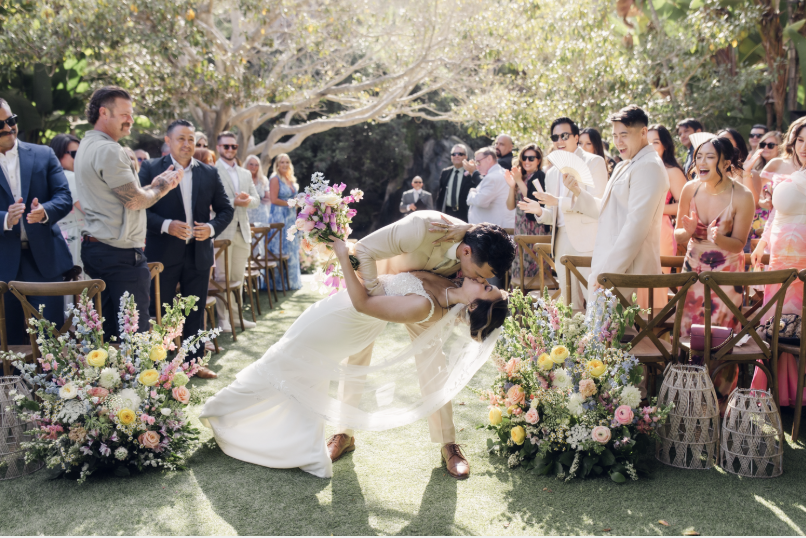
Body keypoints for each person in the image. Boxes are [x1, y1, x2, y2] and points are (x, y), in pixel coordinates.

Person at [199, 233, 508, 479]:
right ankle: (335, 435)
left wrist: (342, 256)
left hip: (361, 314)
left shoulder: (430, 303)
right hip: (352, 305)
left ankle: (222, 410)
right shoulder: (446, 259)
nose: (484, 280)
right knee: (297, 359)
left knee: (285, 359)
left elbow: (364, 304)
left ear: (472, 306)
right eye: (487, 281)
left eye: (487, 287)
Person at [324, 211, 515, 479]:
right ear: (467, 253)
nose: (481, 281)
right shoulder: (421, 228)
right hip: (374, 283)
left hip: (425, 296)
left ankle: (448, 443)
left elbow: (476, 256)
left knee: (433, 360)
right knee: (356, 354)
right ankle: (343, 433)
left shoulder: (471, 246)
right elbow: (364, 249)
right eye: (480, 275)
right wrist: (376, 291)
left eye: (485, 281)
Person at [75, 86, 183, 338]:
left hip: (98, 249)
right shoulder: (109, 149)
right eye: (125, 114)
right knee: (134, 337)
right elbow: (134, 201)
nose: (131, 120)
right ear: (104, 112)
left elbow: (121, 197)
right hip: (119, 255)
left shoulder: (87, 145)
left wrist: (151, 187)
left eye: (131, 115)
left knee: (109, 336)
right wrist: (162, 187)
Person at [139, 120, 233, 377]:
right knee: (160, 312)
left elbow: (226, 209)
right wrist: (166, 225)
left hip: (198, 253)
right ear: (168, 141)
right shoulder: (150, 168)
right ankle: (158, 368)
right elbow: (138, 209)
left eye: (191, 139)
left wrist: (211, 228)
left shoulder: (209, 172)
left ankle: (194, 364)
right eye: (181, 138)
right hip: (162, 254)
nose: (187, 144)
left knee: (194, 311)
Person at [675, 137, 754, 399]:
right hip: (692, 270)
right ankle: (685, 397)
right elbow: (678, 235)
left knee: (721, 337)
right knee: (688, 333)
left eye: (709, 157)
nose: (701, 162)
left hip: (727, 274)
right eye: (699, 156)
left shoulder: (742, 196)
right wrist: (686, 232)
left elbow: (739, 243)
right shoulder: (690, 189)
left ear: (726, 162)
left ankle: (718, 401)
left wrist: (719, 239)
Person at [571, 105, 669, 298]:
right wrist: (578, 192)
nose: (618, 142)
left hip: (627, 272)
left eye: (624, 135)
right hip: (608, 266)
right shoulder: (624, 165)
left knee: (617, 319)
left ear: (643, 132)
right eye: (615, 136)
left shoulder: (649, 166)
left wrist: (608, 272)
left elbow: (636, 227)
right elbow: (607, 210)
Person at [0, 99, 74, 345]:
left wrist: (45, 211)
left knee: (51, 340)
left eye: (11, 120)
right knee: (7, 343)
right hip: (3, 263)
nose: (8, 127)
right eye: (1, 124)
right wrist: (5, 219)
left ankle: (51, 373)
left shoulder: (44, 154)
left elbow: (63, 197)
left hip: (44, 261)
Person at [517, 117, 608, 309]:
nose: (559, 140)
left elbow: (599, 206)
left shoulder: (594, 162)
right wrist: (540, 211)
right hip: (560, 243)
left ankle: (600, 331)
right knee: (570, 305)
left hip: (587, 242)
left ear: (576, 137)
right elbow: (555, 216)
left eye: (564, 135)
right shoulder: (551, 172)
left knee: (596, 302)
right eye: (555, 137)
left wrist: (559, 201)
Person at [749, 118, 806, 405]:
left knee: (798, 327)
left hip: (803, 262)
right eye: (801, 140)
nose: (804, 147)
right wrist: (762, 243)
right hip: (780, 259)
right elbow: (775, 214)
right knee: (776, 325)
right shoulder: (790, 174)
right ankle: (777, 391)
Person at [214, 131, 259, 331]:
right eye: (226, 146)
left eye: (234, 146)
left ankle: (237, 317)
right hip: (222, 232)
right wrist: (234, 202)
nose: (230, 149)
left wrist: (247, 200)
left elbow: (256, 200)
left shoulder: (245, 173)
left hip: (243, 231)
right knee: (222, 277)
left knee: (238, 278)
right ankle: (223, 319)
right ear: (218, 148)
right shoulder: (211, 171)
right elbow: (210, 203)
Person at [644, 124, 688, 307]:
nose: (650, 146)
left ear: (665, 145)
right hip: (638, 228)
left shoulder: (672, 171)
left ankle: (657, 321)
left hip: (661, 230)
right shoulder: (638, 168)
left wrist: (652, 208)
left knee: (656, 282)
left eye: (655, 142)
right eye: (647, 142)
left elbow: (684, 206)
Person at [504, 143, 548, 282]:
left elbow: (532, 200)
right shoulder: (521, 178)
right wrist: (512, 186)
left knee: (534, 266)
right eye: (524, 157)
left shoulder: (539, 175)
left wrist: (517, 180)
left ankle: (536, 296)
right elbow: (510, 206)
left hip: (535, 228)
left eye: (531, 158)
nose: (527, 161)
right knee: (519, 264)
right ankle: (518, 295)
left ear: (538, 160)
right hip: (521, 227)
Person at [743, 130, 784, 249]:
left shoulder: (785, 169)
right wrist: (761, 202)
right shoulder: (752, 168)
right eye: (762, 144)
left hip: (776, 220)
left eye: (770, 145)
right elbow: (749, 194)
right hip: (754, 219)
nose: (765, 148)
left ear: (780, 147)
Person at [50, 133, 85, 271]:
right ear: (58, 154)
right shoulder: (70, 177)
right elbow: (90, 210)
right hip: (76, 238)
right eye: (74, 154)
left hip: (60, 239)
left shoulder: (50, 177)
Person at [267, 153, 302, 291]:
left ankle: (292, 282)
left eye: (287, 162)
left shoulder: (290, 179)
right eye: (282, 162)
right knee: (279, 248)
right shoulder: (274, 179)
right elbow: (273, 199)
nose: (285, 165)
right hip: (279, 218)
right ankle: (278, 284)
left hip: (290, 218)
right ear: (277, 164)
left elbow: (293, 198)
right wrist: (291, 203)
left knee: (291, 248)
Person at [466, 147, 514, 229]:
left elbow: (481, 201)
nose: (477, 166)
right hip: (495, 228)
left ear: (489, 159)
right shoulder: (498, 173)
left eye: (478, 162)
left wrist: (471, 193)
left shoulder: (492, 177)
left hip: (495, 229)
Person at [435, 144, 473, 222]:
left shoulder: (471, 174)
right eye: (454, 154)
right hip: (447, 213)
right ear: (451, 157)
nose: (456, 156)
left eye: (460, 154)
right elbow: (440, 196)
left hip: (465, 215)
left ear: (466, 157)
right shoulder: (445, 173)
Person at [244, 155, 271, 225]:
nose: (254, 167)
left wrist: (267, 199)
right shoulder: (241, 179)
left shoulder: (263, 180)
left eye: (256, 165)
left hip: (261, 213)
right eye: (251, 164)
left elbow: (267, 198)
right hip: (246, 212)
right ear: (246, 164)